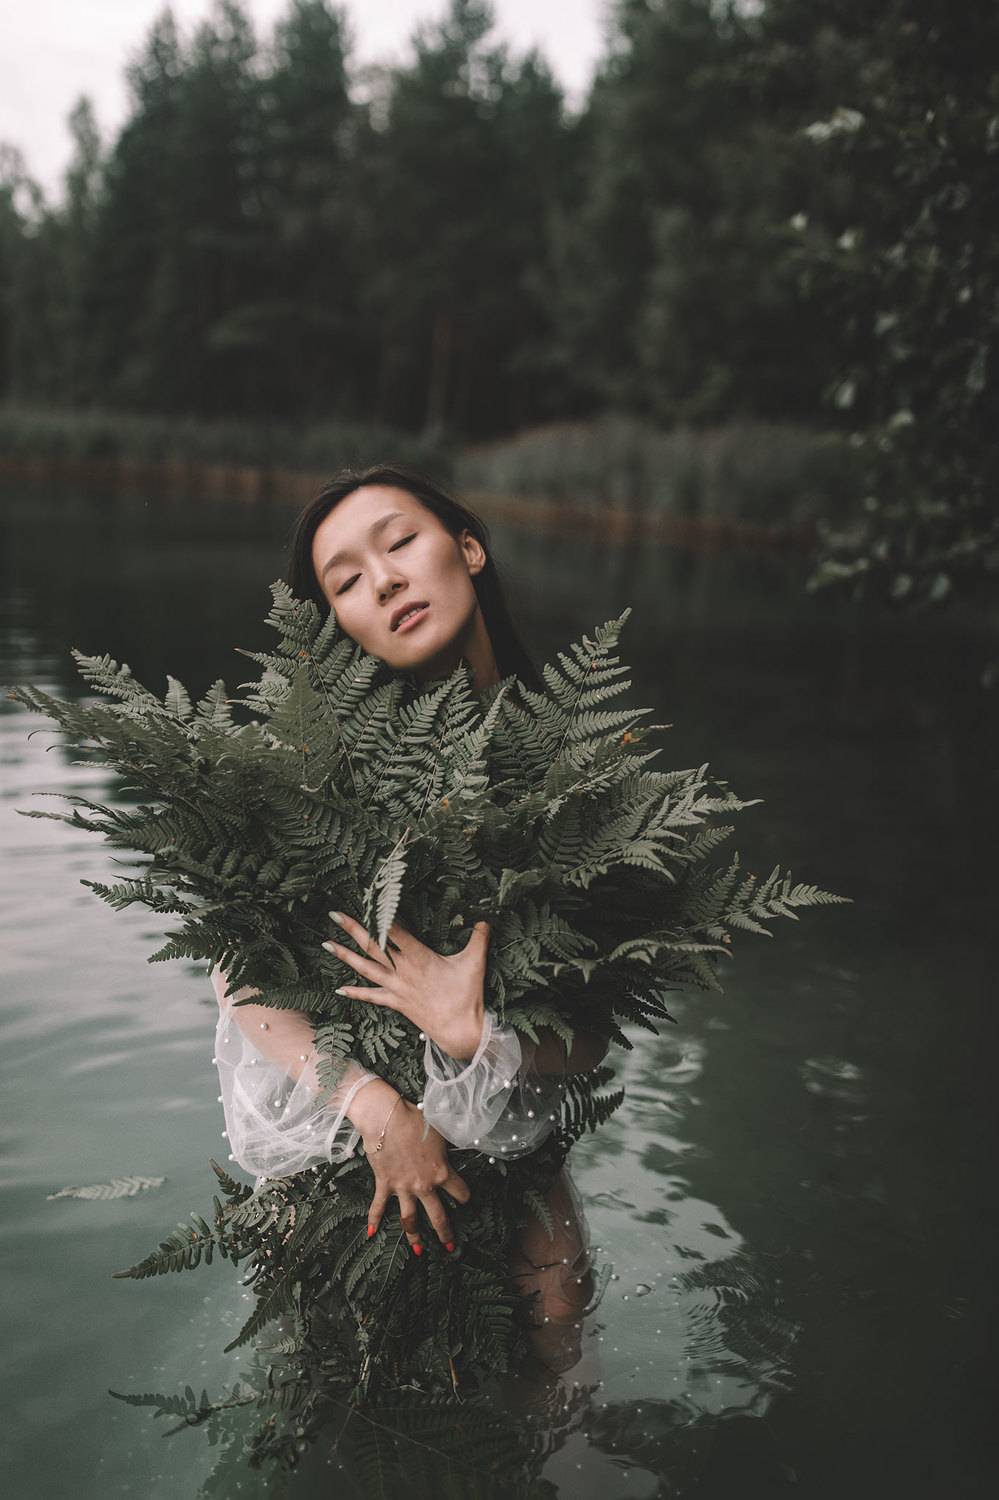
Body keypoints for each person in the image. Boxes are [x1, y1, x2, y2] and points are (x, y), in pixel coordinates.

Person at [210, 463, 609, 1375]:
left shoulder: (574, 767)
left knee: (555, 1339)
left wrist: (479, 1034)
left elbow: (599, 1030)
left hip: (507, 1145)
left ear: (467, 548)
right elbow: (242, 977)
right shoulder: (307, 768)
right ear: (337, 624)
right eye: (348, 581)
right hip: (343, 1150)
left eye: (399, 543)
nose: (385, 580)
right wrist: (376, 1108)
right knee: (331, 1377)